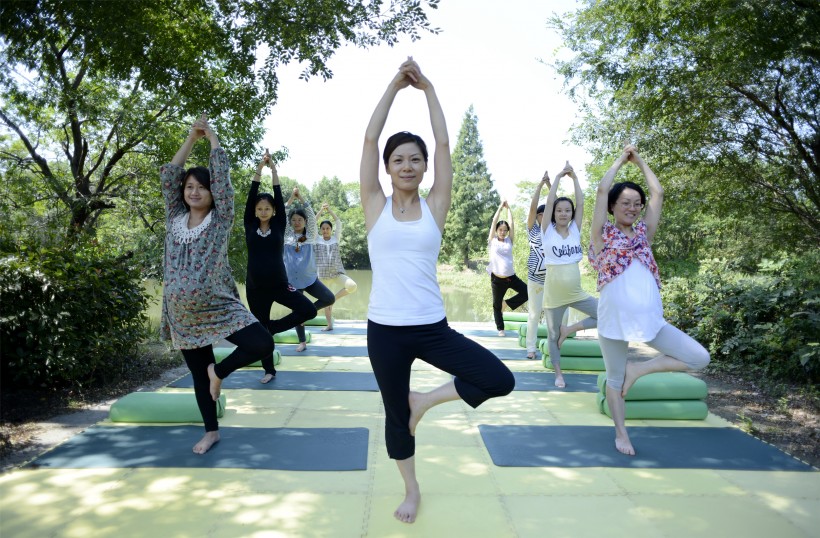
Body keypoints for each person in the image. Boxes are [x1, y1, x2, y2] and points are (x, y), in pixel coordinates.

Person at [360, 58, 515, 524]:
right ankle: (411, 488)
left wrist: (427, 88)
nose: (407, 165)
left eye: (415, 158)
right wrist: (393, 85)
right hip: (384, 331)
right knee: (393, 417)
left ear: (425, 166)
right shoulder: (373, 204)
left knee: (498, 379)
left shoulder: (435, 206)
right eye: (398, 159)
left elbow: (445, 141)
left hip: (431, 327)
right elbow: (369, 139)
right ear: (387, 168)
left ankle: (423, 401)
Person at [160, 115, 274, 454]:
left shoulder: (220, 219)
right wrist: (190, 138)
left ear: (213, 194)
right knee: (198, 376)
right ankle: (211, 431)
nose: (194, 192)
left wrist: (211, 139)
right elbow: (169, 175)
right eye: (189, 187)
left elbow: (223, 180)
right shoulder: (173, 216)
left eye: (201, 187)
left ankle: (219, 371)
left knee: (261, 343)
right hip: (181, 313)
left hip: (218, 305)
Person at [589, 145, 710, 455]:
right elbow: (602, 189)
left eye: (636, 204)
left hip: (651, 322)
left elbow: (658, 192)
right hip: (613, 323)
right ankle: (621, 434)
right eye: (625, 203)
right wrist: (620, 159)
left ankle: (638, 370)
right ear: (614, 206)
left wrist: (639, 160)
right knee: (614, 381)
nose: (632, 207)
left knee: (699, 358)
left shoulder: (645, 235)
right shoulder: (602, 236)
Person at [244, 150, 317, 383]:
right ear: (255, 211)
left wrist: (273, 170)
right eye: (259, 209)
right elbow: (251, 194)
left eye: (267, 208)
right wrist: (259, 170)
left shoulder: (278, 224)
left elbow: (277, 192)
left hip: (280, 285)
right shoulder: (249, 223)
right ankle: (269, 370)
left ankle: (273, 327)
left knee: (308, 310)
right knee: (261, 330)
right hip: (256, 288)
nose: (263, 211)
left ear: (274, 211)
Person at [542, 161, 599, 388]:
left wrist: (574, 177)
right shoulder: (547, 231)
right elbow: (548, 201)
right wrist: (557, 177)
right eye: (559, 210)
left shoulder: (575, 229)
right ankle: (558, 374)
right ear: (554, 214)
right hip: (553, 296)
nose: (563, 213)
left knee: (603, 314)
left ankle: (571, 329)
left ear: (571, 213)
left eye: (567, 210)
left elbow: (582, 201)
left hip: (576, 293)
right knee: (553, 336)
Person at [283, 188, 335, 351]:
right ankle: (302, 342)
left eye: (300, 219)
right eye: (294, 220)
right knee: (297, 310)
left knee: (329, 298)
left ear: (304, 222)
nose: (297, 222)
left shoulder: (310, 236)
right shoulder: (287, 236)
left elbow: (312, 216)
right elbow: (283, 214)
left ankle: (307, 312)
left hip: (310, 279)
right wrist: (291, 198)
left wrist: (302, 198)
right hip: (292, 282)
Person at [314, 202, 358, 331]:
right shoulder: (317, 239)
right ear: (320, 230)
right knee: (326, 303)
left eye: (328, 228)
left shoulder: (335, 239)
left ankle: (333, 299)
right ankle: (329, 325)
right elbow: (312, 223)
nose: (325, 230)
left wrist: (330, 210)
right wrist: (321, 210)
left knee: (352, 286)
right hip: (322, 276)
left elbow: (338, 222)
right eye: (323, 228)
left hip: (337, 273)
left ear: (331, 230)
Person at [488, 200, 528, 337]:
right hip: (497, 279)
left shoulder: (509, 240)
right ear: (496, 230)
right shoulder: (492, 240)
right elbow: (494, 221)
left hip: (511, 277)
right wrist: (500, 207)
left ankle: (508, 303)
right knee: (496, 306)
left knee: (527, 292)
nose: (503, 232)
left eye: (505, 230)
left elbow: (512, 224)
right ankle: (501, 329)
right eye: (500, 230)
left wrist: (509, 209)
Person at [524, 171, 551, 359]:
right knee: (534, 315)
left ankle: (552, 349)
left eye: (546, 214)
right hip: (535, 281)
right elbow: (532, 208)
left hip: (553, 281)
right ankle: (531, 349)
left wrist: (551, 187)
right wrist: (541, 186)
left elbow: (559, 204)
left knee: (554, 319)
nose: (543, 217)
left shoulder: (555, 231)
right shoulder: (532, 229)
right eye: (541, 214)